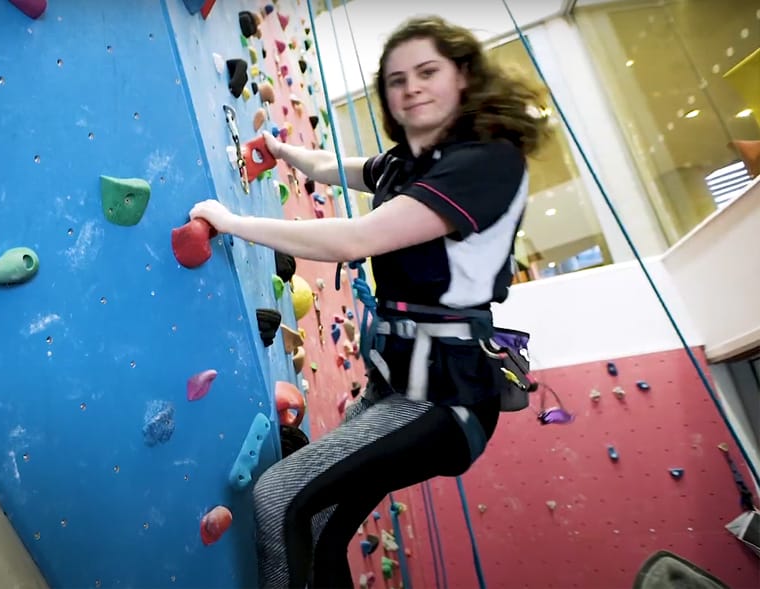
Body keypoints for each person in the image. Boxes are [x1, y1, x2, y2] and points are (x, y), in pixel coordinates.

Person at [189, 15, 549, 589]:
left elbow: (358, 238)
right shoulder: (410, 165)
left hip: (445, 401)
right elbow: (337, 168)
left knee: (278, 496)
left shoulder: (487, 162)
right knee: (322, 527)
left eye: (428, 71)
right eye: (397, 80)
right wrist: (280, 149)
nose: (411, 88)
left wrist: (232, 222)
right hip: (397, 388)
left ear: (464, 79)